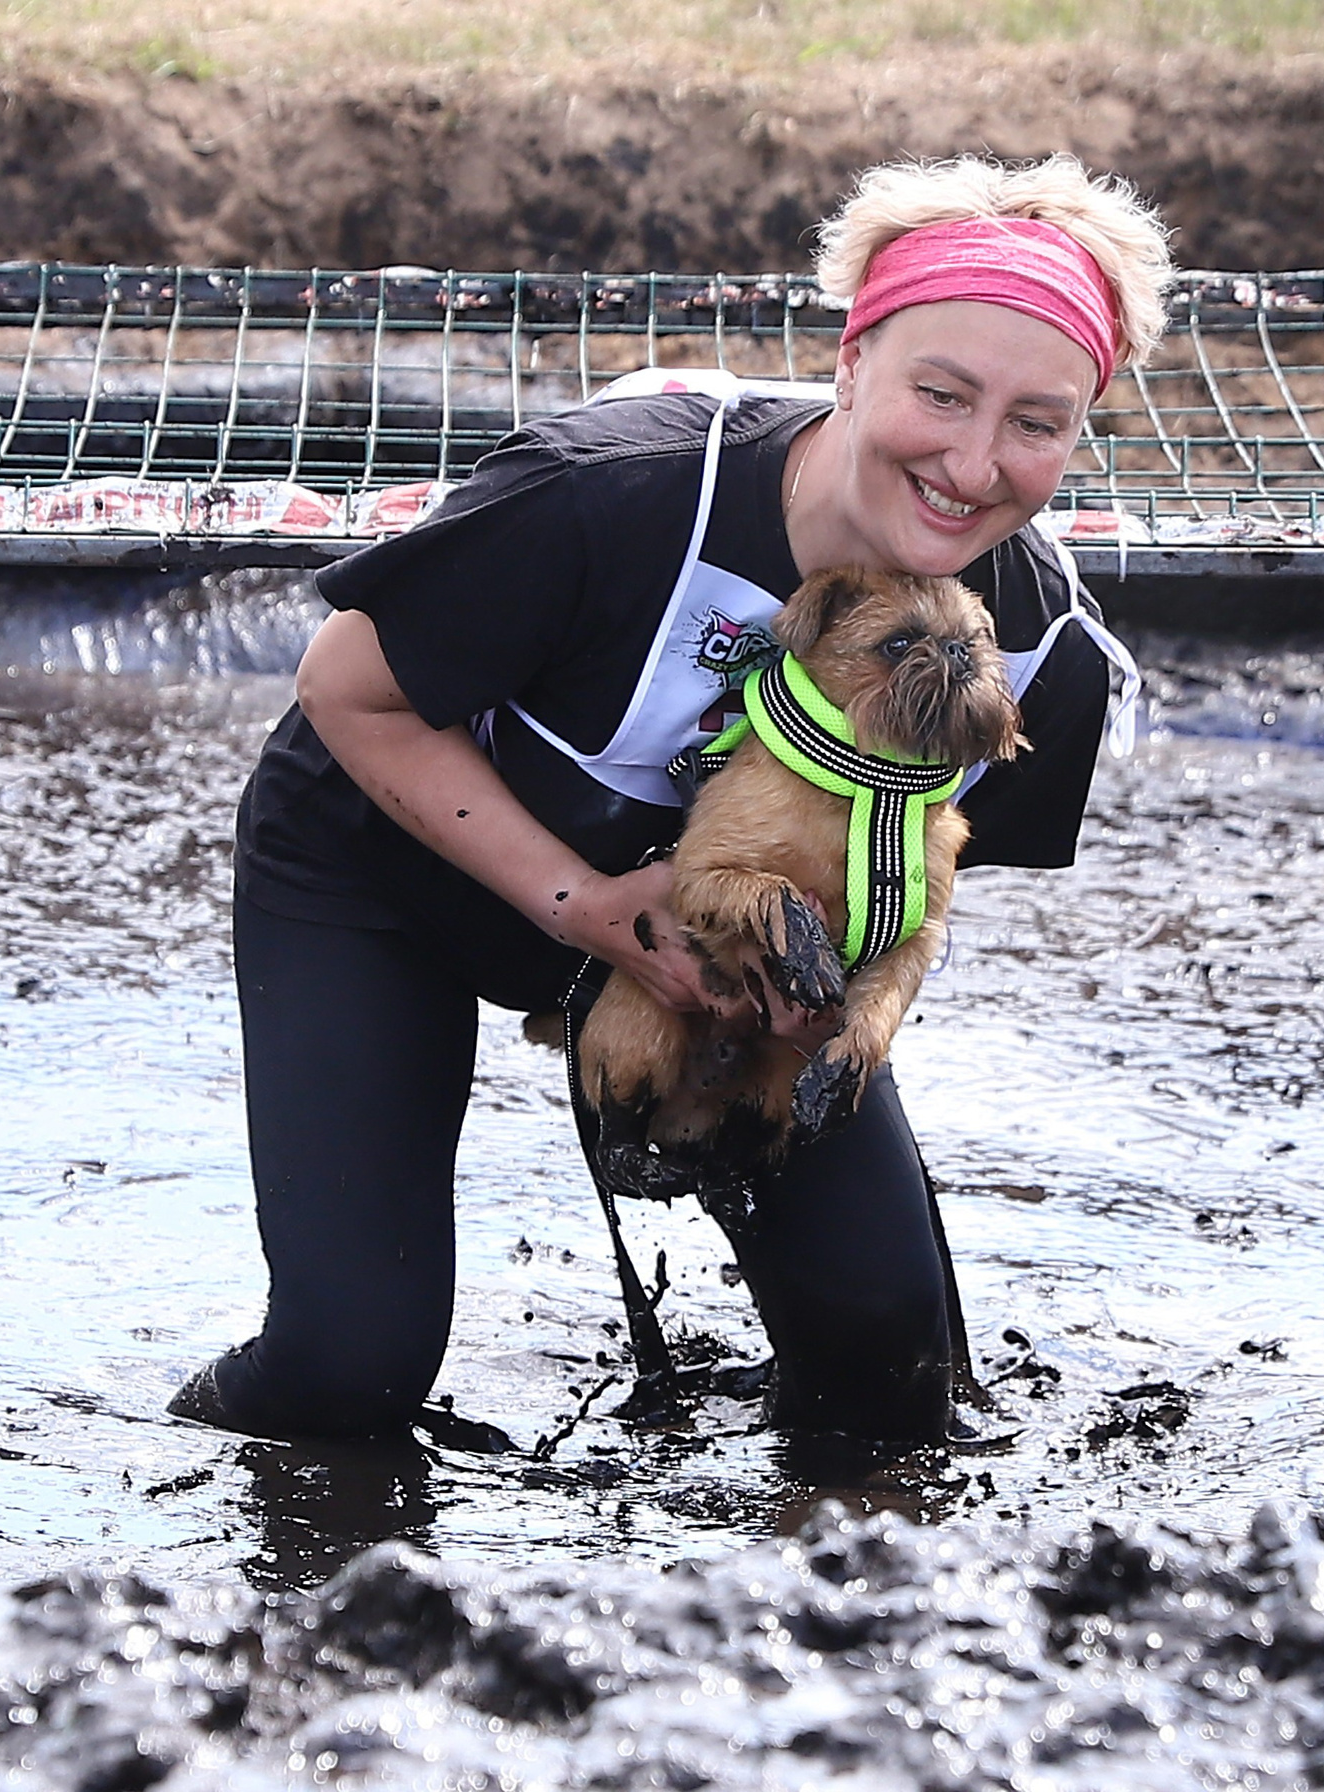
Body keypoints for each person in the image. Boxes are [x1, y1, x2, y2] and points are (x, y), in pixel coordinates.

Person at [169, 153, 1170, 1447]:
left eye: (1036, 422)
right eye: (942, 393)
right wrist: (578, 904)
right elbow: (346, 688)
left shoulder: (1029, 649)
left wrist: (819, 1014)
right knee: (348, 1369)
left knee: (888, 1377)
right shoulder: (615, 494)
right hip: (387, 872)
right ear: (853, 362)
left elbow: (911, 882)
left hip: (717, 939)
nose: (976, 463)